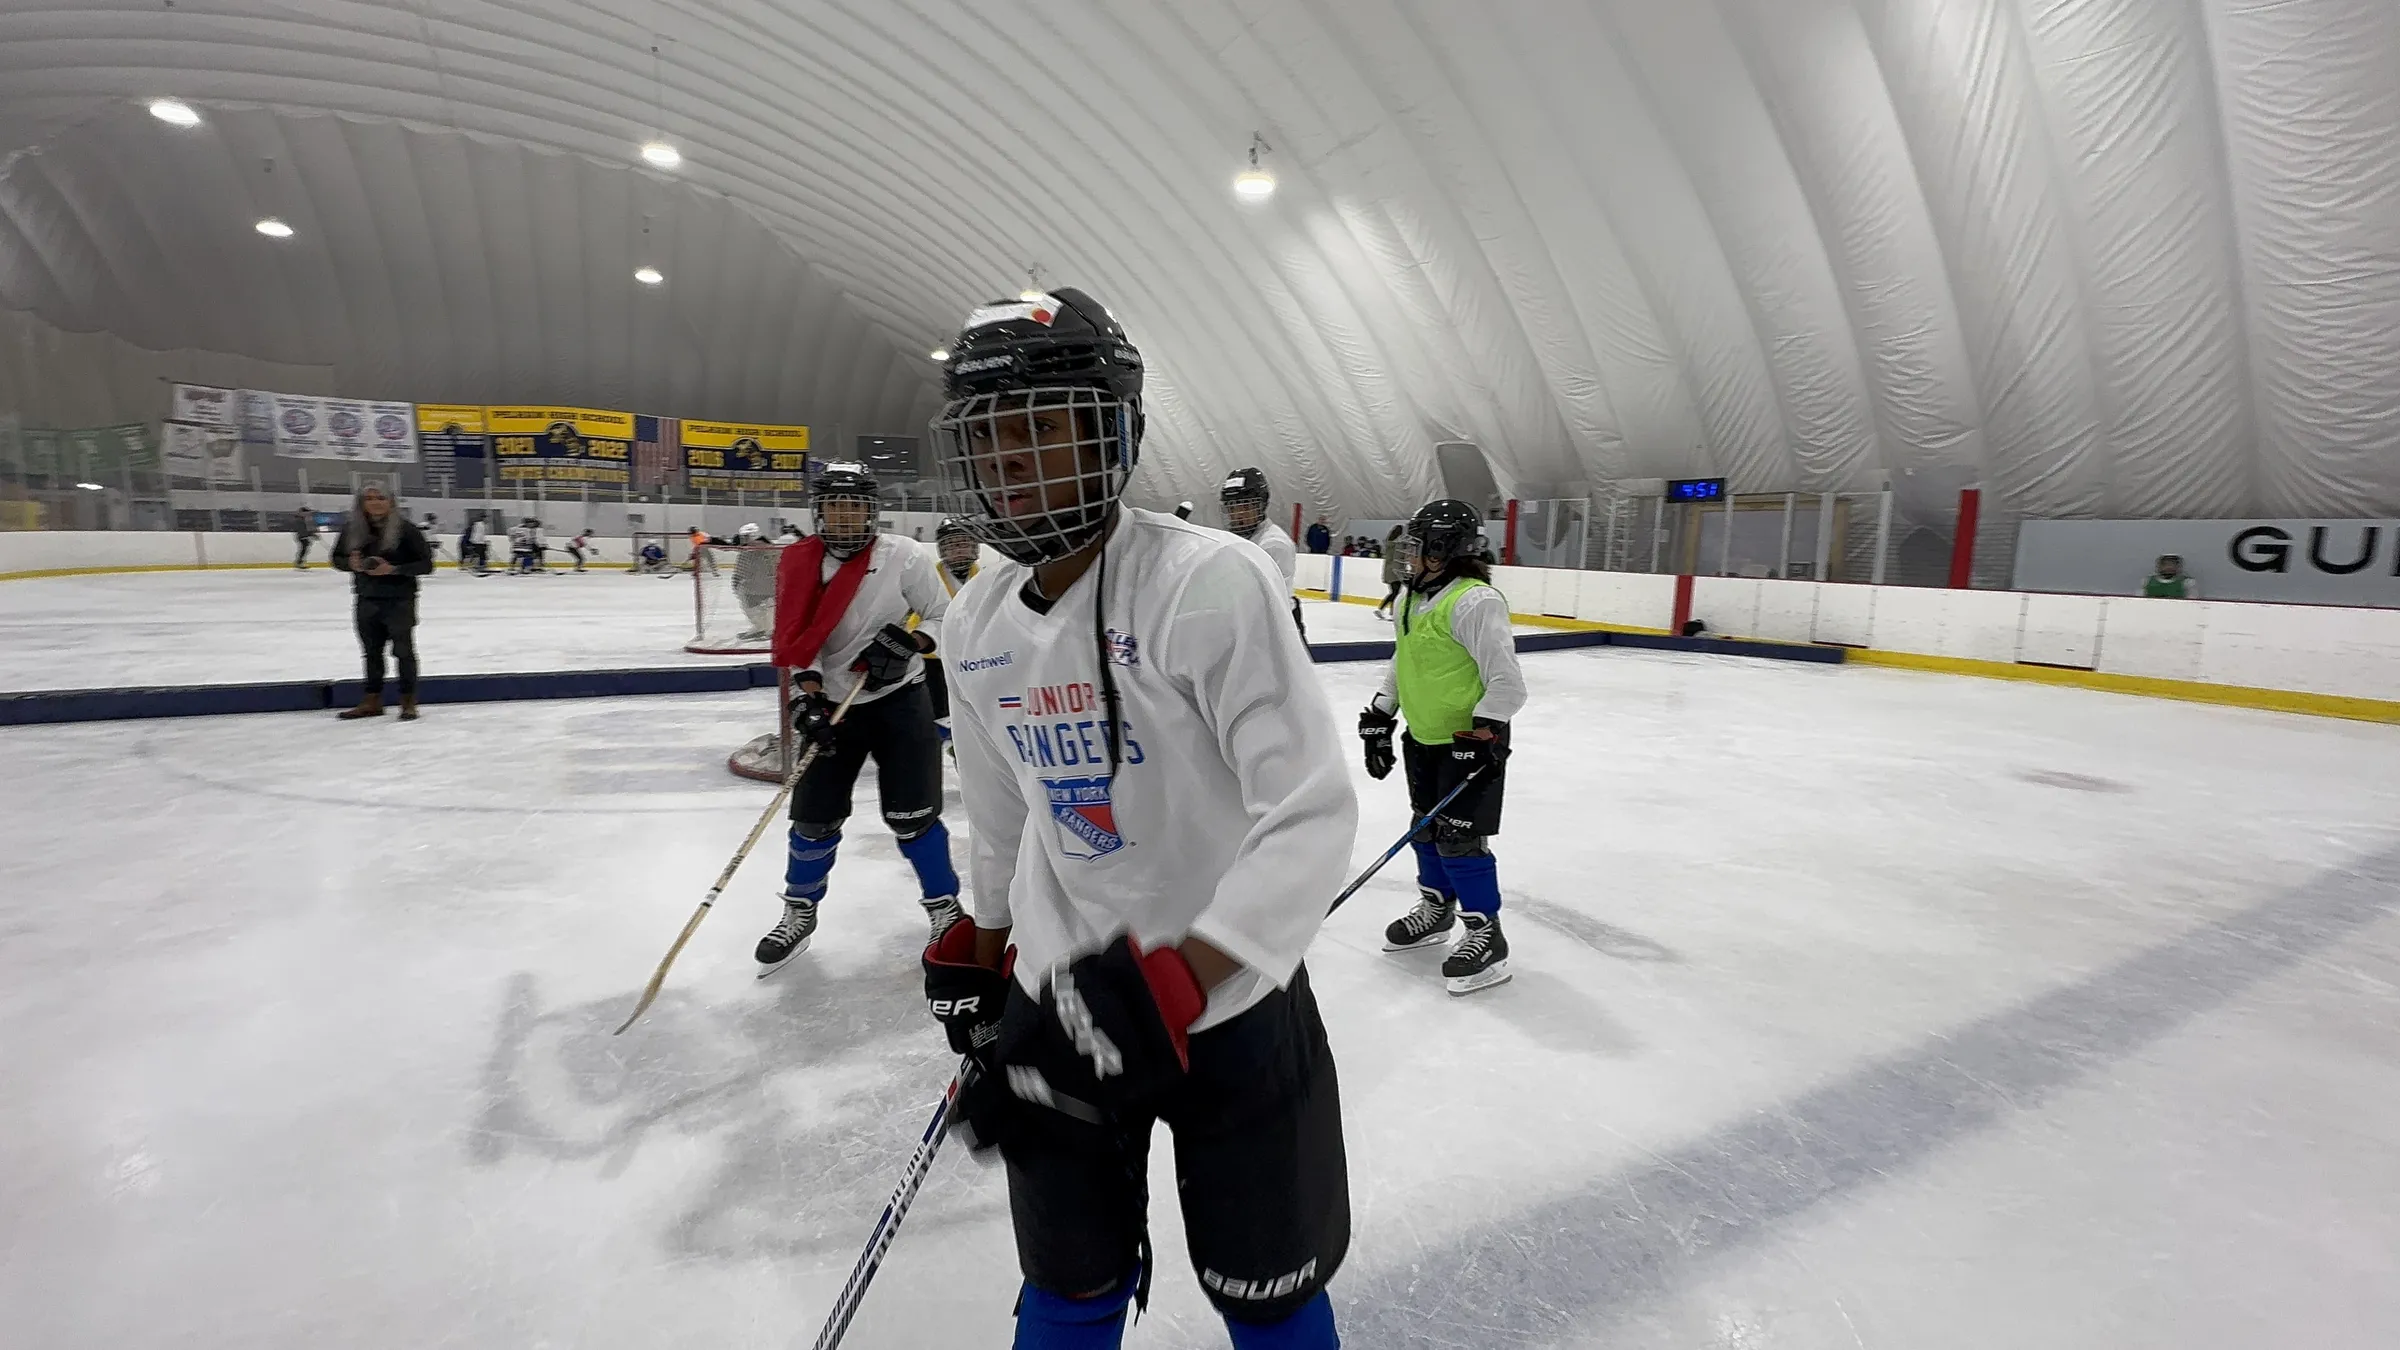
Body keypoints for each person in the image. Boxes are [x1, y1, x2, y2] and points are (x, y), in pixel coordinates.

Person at [922, 286, 1357, 1350]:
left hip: (1230, 1007)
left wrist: (1178, 980)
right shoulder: (973, 620)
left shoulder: (1210, 585)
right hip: (1063, 1008)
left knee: (1273, 1294)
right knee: (1069, 1287)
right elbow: (999, 814)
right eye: (990, 433)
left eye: (1041, 425)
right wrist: (984, 947)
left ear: (1110, 431)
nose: (1012, 457)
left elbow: (1310, 812)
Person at [757, 461, 963, 973]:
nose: (845, 516)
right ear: (818, 512)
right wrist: (806, 697)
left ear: (872, 512)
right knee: (813, 817)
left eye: (855, 506)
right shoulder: (799, 562)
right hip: (832, 705)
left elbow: (946, 615)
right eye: (835, 506)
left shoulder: (905, 557)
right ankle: (799, 911)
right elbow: (794, 637)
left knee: (914, 816)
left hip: (901, 700)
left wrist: (912, 642)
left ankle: (945, 909)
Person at [1357, 498, 1525, 995]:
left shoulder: (1475, 601)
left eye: (1421, 548)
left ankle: (1485, 932)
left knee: (1459, 837)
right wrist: (1379, 715)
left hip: (1470, 741)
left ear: (1448, 550)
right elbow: (1402, 661)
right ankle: (1436, 909)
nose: (1410, 557)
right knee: (1426, 828)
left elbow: (1507, 683)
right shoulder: (1411, 597)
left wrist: (1485, 734)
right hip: (1424, 737)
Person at [329, 484, 434, 721]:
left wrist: (394, 569)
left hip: (399, 601)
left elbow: (426, 565)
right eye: (369, 498)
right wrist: (351, 565)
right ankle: (372, 700)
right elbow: (337, 558)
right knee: (371, 653)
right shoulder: (352, 530)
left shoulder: (407, 530)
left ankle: (408, 701)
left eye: (381, 498)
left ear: (391, 502)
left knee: (403, 652)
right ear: (361, 503)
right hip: (366, 599)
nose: (375, 502)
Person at [1221, 465, 1305, 639]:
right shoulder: (1237, 538)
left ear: (1261, 505)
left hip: (1275, 628)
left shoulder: (1274, 544)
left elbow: (1258, 599)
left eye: (1245, 507)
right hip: (1252, 623)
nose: (1238, 514)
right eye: (1232, 508)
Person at [924, 516, 980, 750]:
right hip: (933, 659)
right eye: (952, 545)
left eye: (963, 543)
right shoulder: (926, 578)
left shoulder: (988, 578)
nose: (958, 550)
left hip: (974, 658)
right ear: (942, 550)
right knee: (938, 713)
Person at [730, 522, 778, 640]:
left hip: (763, 585)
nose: (743, 540)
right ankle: (762, 628)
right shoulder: (769, 547)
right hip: (756, 585)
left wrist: (736, 580)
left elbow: (741, 569)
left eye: (746, 537)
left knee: (767, 605)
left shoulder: (754, 550)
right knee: (759, 606)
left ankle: (767, 629)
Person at [1374, 524, 1412, 620]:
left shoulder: (1389, 544)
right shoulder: (1399, 545)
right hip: (1396, 572)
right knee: (1395, 593)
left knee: (1394, 592)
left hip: (1389, 571)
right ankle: (1385, 610)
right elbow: (1401, 557)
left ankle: (1389, 611)